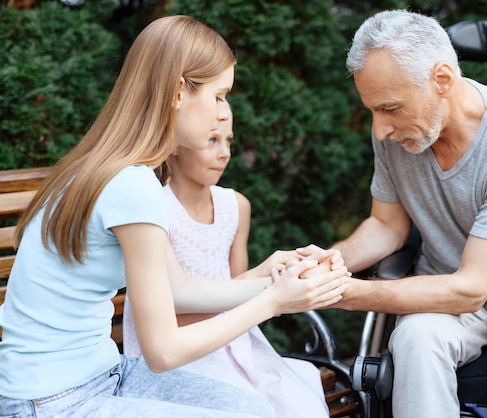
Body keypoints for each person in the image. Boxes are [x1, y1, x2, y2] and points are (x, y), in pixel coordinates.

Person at [0, 15, 348, 418]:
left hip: (102, 374)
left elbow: (177, 291)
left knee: (255, 407)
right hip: (52, 400)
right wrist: (273, 301)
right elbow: (164, 351)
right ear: (179, 91)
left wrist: (270, 276)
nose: (224, 113)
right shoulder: (132, 185)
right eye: (219, 96)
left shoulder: (116, 170)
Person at [301, 9, 487, 418]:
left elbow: (472, 287)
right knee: (415, 340)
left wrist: (348, 293)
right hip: (444, 282)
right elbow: (387, 227)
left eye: (389, 108)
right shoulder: (397, 135)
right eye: (373, 110)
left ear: (442, 80)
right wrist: (328, 263)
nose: (379, 130)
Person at [123, 101, 329, 417]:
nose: (224, 153)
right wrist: (271, 292)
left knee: (300, 400)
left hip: (233, 339)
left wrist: (274, 271)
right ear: (176, 144)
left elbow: (233, 289)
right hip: (184, 350)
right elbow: (170, 315)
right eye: (212, 141)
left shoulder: (235, 206)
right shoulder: (155, 209)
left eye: (229, 141)